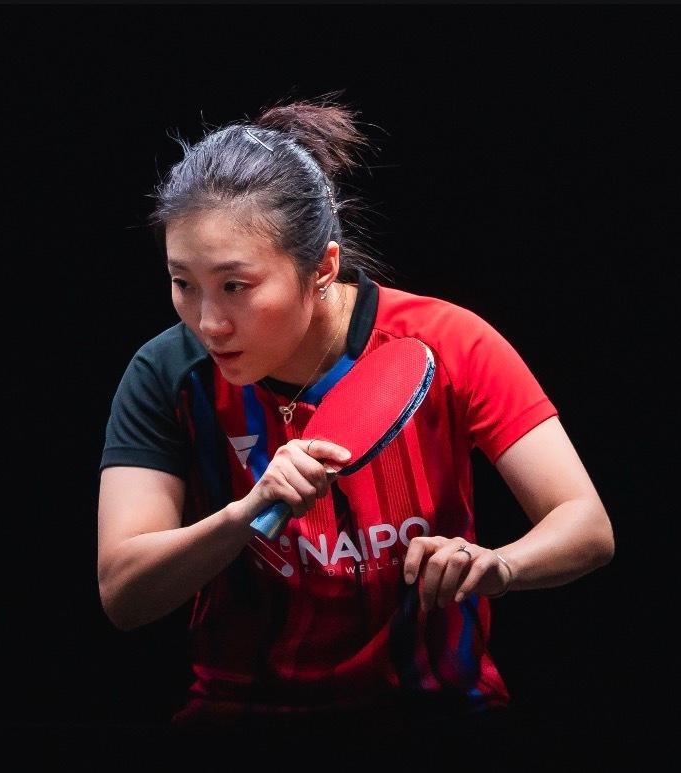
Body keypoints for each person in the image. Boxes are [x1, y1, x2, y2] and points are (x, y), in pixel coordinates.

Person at [96, 99, 615, 745]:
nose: (208, 322)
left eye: (235, 286)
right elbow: (124, 593)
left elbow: (586, 524)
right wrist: (245, 513)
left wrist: (500, 564)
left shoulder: (448, 343)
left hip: (440, 717)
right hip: (241, 721)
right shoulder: (166, 374)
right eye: (183, 283)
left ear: (322, 268)